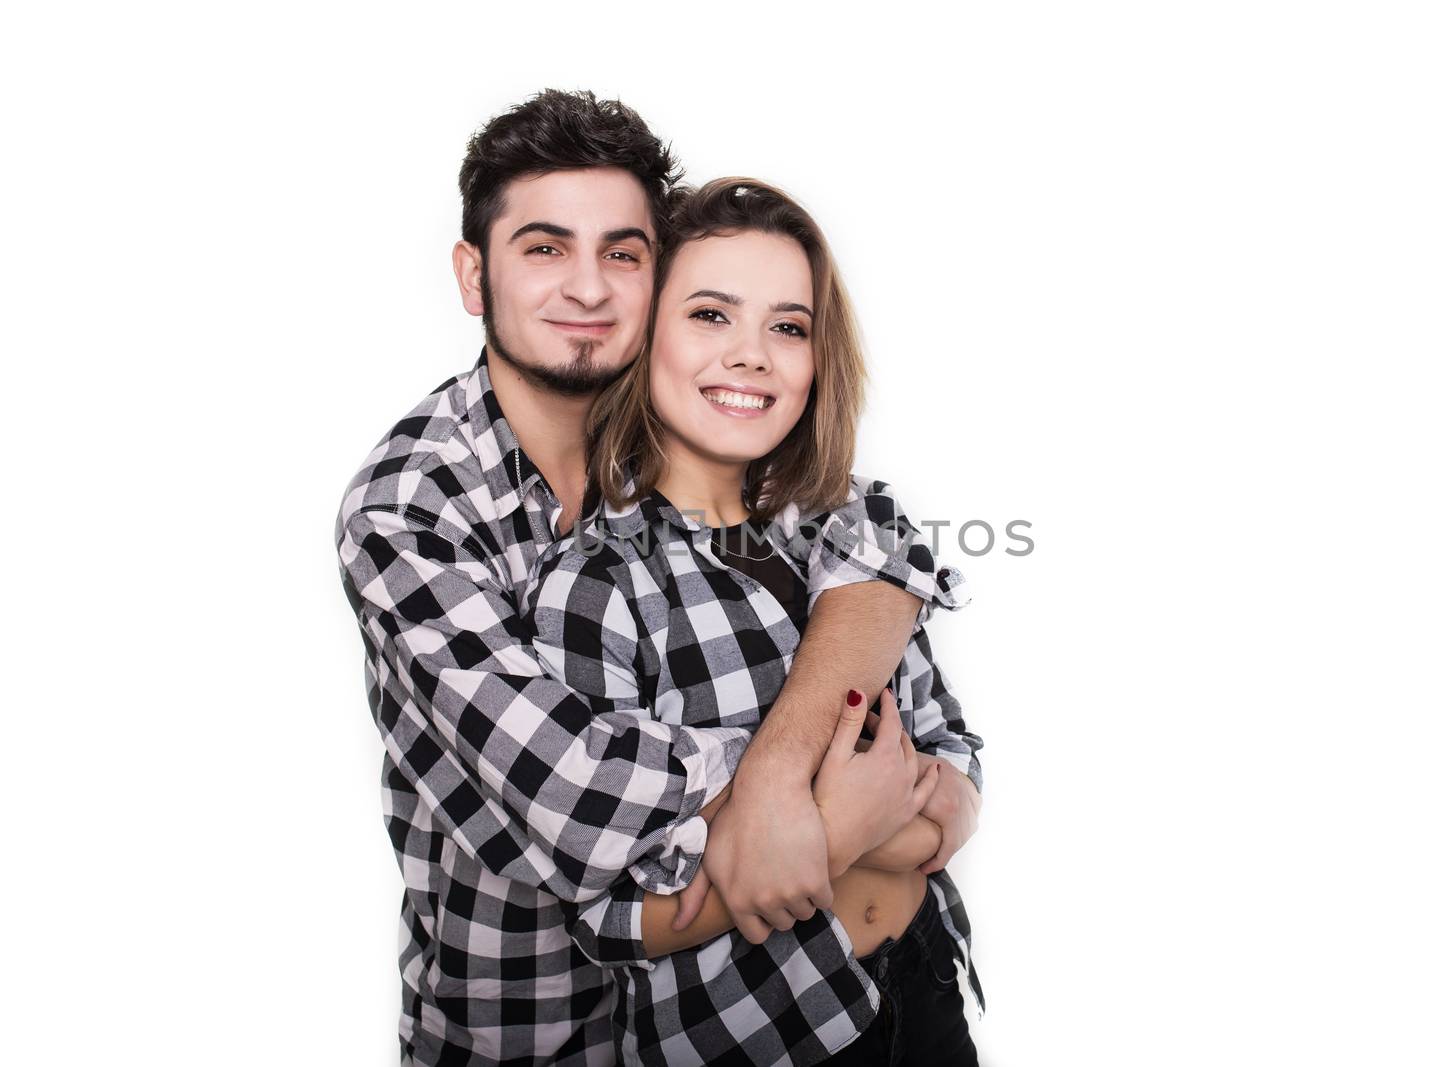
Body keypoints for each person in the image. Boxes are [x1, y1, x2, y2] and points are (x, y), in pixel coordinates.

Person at [334, 90, 970, 1065]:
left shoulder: (705, 439)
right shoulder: (409, 508)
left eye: (622, 252)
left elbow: (876, 542)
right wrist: (850, 808)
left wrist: (783, 782)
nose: (587, 288)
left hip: (845, 989)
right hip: (533, 1027)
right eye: (543, 248)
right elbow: (578, 794)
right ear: (473, 274)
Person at [529, 178, 985, 1066]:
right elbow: (610, 911)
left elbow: (951, 755)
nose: (752, 356)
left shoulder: (855, 528)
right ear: (646, 334)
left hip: (922, 981)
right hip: (761, 1035)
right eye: (710, 315)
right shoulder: (596, 587)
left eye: (787, 326)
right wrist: (864, 820)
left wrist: (898, 815)